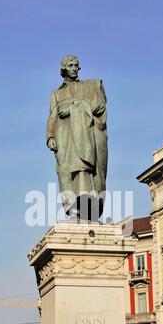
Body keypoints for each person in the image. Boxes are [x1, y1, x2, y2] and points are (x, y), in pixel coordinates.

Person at [46, 55, 108, 220]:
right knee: (65, 173)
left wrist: (75, 107)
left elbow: (99, 107)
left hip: (85, 137)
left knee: (83, 172)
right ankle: (72, 208)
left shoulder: (89, 87)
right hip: (65, 139)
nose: (74, 68)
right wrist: (50, 136)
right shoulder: (56, 93)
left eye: (76, 66)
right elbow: (52, 117)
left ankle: (87, 209)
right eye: (71, 65)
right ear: (64, 68)